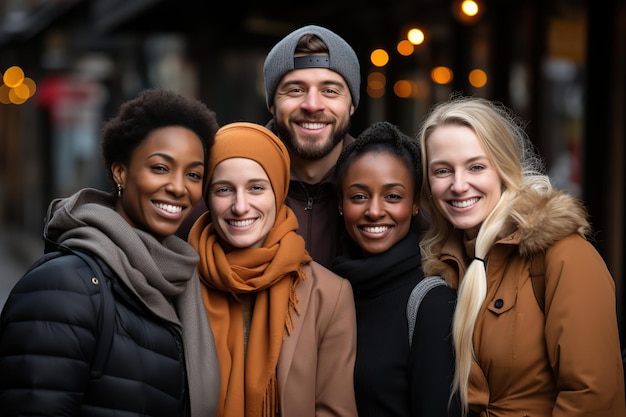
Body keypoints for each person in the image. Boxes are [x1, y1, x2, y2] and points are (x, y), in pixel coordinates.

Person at [0, 88, 221, 417]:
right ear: (120, 172)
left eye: (193, 174)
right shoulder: (64, 286)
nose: (178, 187)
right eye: (160, 167)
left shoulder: (180, 281)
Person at [417, 96, 626, 417]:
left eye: (476, 166)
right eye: (442, 170)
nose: (459, 185)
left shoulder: (561, 253)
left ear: (503, 167)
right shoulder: (443, 268)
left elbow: (591, 396)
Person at [187, 121, 358, 417]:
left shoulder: (328, 294)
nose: (240, 206)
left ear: (278, 192)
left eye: (256, 188)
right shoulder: (178, 282)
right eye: (224, 189)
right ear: (207, 197)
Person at [178, 24, 361, 269]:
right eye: (295, 90)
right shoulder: (218, 188)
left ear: (352, 104)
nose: (312, 105)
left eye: (330, 90)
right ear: (272, 104)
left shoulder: (383, 190)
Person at [332, 121, 459, 417]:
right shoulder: (330, 289)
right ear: (340, 203)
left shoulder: (432, 302)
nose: (375, 211)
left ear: (415, 203)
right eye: (359, 196)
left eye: (393, 196)